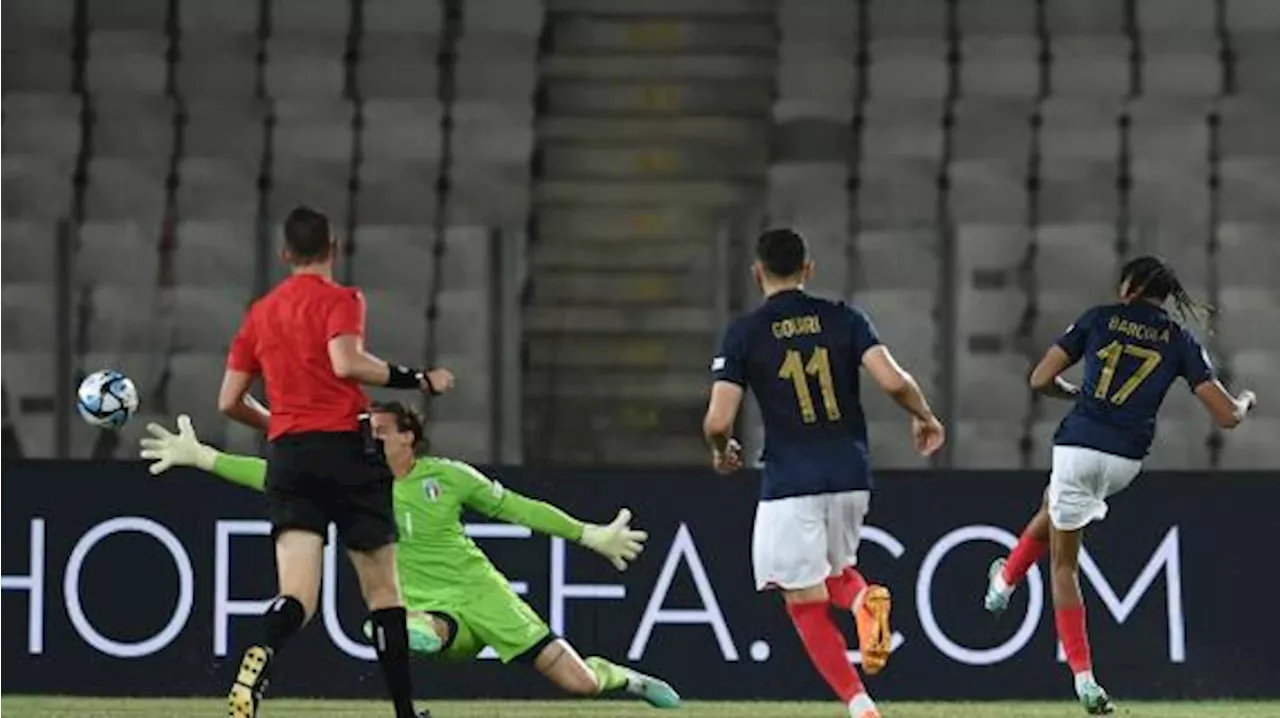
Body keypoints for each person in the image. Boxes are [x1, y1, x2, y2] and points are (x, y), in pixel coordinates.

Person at [139, 405, 681, 709]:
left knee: (579, 685)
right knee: (413, 631)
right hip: (425, 608)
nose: (368, 441)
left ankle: (622, 679)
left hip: (483, 595)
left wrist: (588, 535)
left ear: (409, 439)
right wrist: (204, 456)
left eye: (379, 432)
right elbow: (271, 476)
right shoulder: (355, 484)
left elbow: (519, 509)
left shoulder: (449, 476)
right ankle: (422, 637)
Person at [982, 256, 1257, 715]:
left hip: (1079, 446)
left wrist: (1073, 393)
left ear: (1129, 286)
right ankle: (1004, 582)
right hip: (1126, 461)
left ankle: (1084, 680)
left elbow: (1039, 379)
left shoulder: (1098, 319)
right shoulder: (1178, 338)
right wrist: (1246, 400)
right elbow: (1227, 416)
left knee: (1064, 566)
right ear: (1164, 295)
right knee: (1053, 506)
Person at [218, 206, 454, 718]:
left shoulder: (260, 312)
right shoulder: (341, 300)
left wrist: (277, 423)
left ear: (285, 254)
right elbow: (346, 362)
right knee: (384, 594)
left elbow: (229, 400)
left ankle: (261, 655)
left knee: (297, 596)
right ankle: (405, 714)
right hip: (347, 452)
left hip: (289, 457)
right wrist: (417, 379)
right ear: (334, 248)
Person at [701, 228, 946, 718]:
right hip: (851, 475)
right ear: (808, 269)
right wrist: (925, 416)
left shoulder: (746, 332)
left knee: (802, 598)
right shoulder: (845, 318)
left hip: (791, 480)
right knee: (833, 572)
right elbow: (894, 380)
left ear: (757, 273)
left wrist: (720, 448)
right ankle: (861, 604)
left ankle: (861, 705)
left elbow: (718, 420)